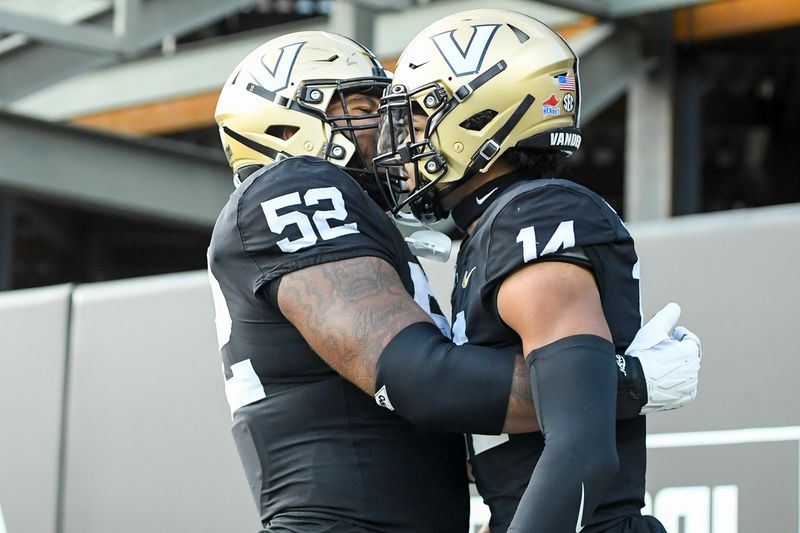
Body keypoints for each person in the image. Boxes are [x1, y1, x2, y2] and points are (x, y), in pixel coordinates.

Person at [208, 30, 700, 532]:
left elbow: (426, 428)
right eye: (362, 108)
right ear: (290, 127)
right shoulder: (296, 185)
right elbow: (419, 379)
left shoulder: (395, 226)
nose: (385, 130)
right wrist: (622, 381)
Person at [372, 9, 694, 533]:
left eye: (414, 120)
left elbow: (581, 448)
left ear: (477, 117)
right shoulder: (498, 223)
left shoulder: (533, 214)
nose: (401, 145)